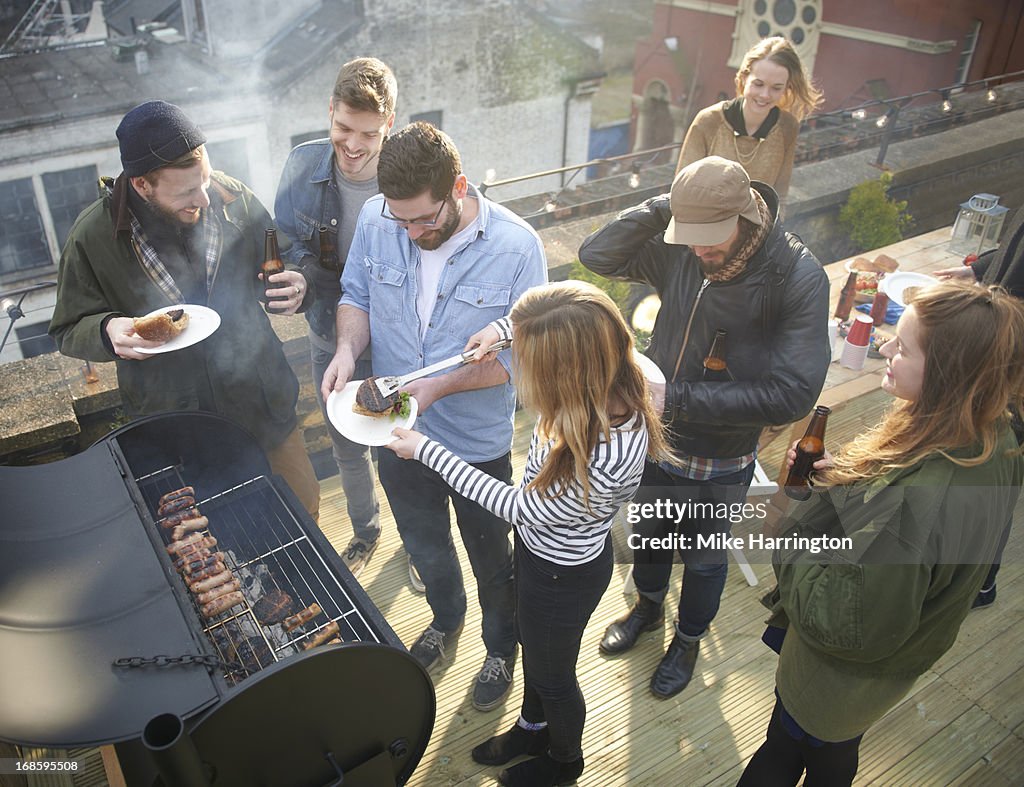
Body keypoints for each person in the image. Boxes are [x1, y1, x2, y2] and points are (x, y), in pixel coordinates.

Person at [386, 281, 674, 786]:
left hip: (564, 575)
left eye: (533, 363)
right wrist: (497, 330)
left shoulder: (605, 454)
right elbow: (551, 316)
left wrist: (425, 450)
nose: (522, 373)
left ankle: (564, 762)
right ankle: (530, 726)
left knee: (553, 676)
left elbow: (519, 508)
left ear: (571, 368)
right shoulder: (611, 369)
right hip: (544, 559)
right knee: (538, 656)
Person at [738, 281, 1024, 786]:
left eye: (904, 346)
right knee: (832, 751)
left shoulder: (920, 505)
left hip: (836, 680)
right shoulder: (990, 433)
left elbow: (846, 625)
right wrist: (845, 486)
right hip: (882, 674)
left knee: (787, 748)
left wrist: (794, 524)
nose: (886, 348)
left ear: (947, 374)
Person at [578, 155, 830, 698]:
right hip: (657, 438)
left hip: (723, 450)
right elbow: (595, 254)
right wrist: (669, 205)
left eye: (711, 236)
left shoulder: (796, 275)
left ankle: (688, 639)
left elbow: (794, 392)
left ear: (747, 216)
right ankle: (646, 608)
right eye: (689, 235)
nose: (699, 251)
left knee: (705, 556)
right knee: (648, 533)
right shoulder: (683, 243)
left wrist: (677, 395)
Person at [321, 121, 548, 710]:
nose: (412, 231)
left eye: (424, 220)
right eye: (402, 220)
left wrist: (436, 389)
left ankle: (501, 648)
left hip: (475, 442)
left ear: (459, 187)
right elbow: (355, 296)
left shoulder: (519, 248)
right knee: (425, 547)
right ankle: (447, 622)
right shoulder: (378, 219)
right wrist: (347, 349)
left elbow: (524, 362)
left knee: (493, 561)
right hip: (394, 433)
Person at [49, 100, 320, 519]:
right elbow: (68, 327)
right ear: (142, 185)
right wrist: (107, 330)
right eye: (187, 193)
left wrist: (300, 281)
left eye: (205, 184)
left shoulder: (232, 198)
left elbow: (283, 257)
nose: (204, 200)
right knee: (217, 537)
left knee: (303, 511)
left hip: (262, 407)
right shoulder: (93, 236)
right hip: (176, 427)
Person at [275, 57, 397, 578]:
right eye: (344, 127)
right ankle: (366, 531)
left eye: (368, 134)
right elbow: (284, 239)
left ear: (389, 125)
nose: (352, 145)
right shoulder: (302, 164)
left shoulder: (410, 169)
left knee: (401, 449)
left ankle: (414, 544)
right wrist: (299, 276)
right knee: (348, 447)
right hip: (328, 330)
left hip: (399, 342)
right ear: (330, 111)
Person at [936, 203, 1024, 608]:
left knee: (994, 474)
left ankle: (978, 583)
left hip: (1013, 369)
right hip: (1001, 353)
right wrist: (980, 271)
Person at [675, 36, 823, 201]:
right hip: (703, 222)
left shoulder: (788, 127)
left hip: (757, 225)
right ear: (744, 78)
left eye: (776, 88)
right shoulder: (708, 121)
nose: (765, 95)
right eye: (758, 84)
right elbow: (682, 190)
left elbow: (779, 197)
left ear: (787, 87)